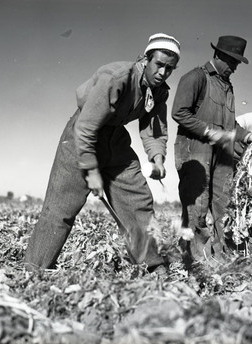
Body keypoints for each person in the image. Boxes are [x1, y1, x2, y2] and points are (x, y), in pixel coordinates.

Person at [24, 33, 181, 270]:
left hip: (115, 139)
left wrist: (157, 159)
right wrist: (91, 169)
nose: (163, 73)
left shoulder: (159, 91)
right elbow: (86, 126)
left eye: (170, 69)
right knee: (61, 209)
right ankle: (32, 270)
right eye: (159, 65)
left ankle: (153, 265)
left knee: (138, 200)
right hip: (82, 137)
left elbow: (155, 130)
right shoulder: (116, 77)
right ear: (145, 59)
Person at [172, 35, 252, 263]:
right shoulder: (196, 77)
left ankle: (221, 260)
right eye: (233, 62)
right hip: (195, 151)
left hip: (222, 156)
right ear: (218, 55)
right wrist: (208, 132)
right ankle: (192, 263)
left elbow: (229, 124)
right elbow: (179, 113)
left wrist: (245, 135)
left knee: (224, 206)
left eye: (237, 64)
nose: (235, 68)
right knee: (196, 209)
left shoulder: (227, 87)